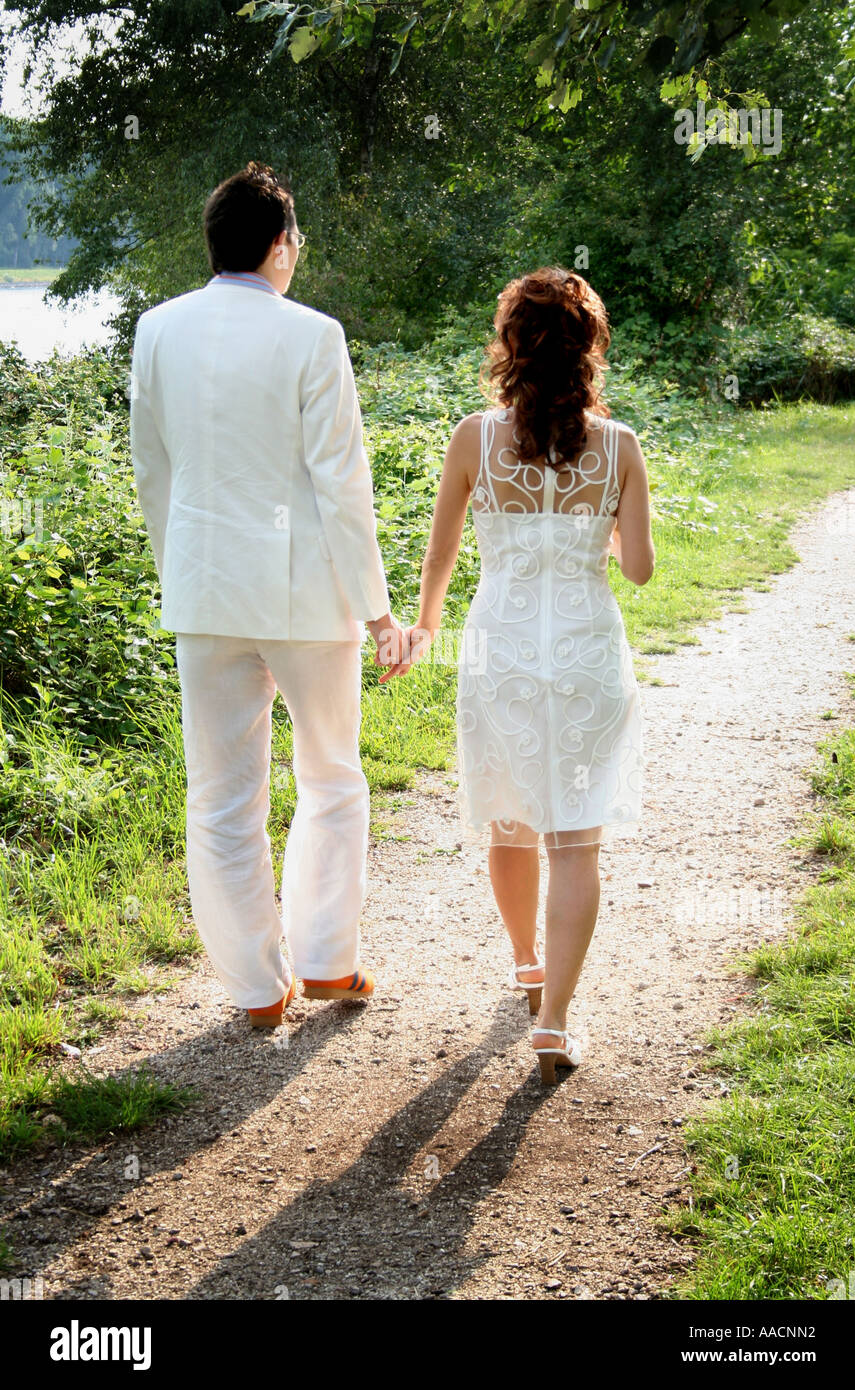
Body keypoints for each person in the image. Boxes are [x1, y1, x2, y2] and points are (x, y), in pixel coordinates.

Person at [130, 161, 407, 1029]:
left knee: (219, 793)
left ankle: (256, 987)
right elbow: (342, 482)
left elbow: (153, 468)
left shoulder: (156, 329)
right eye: (299, 239)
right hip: (305, 595)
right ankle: (327, 962)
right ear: (282, 244)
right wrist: (377, 606)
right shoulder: (313, 335)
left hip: (205, 592)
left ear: (215, 243)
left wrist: (181, 568)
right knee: (330, 775)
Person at [403, 268, 654, 1083]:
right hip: (585, 652)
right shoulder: (621, 448)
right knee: (575, 840)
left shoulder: (475, 438)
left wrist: (424, 626)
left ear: (511, 344)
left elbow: (441, 551)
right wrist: (610, 532)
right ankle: (553, 1025)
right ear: (590, 349)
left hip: (501, 649)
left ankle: (525, 962)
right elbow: (642, 571)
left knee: (510, 820)